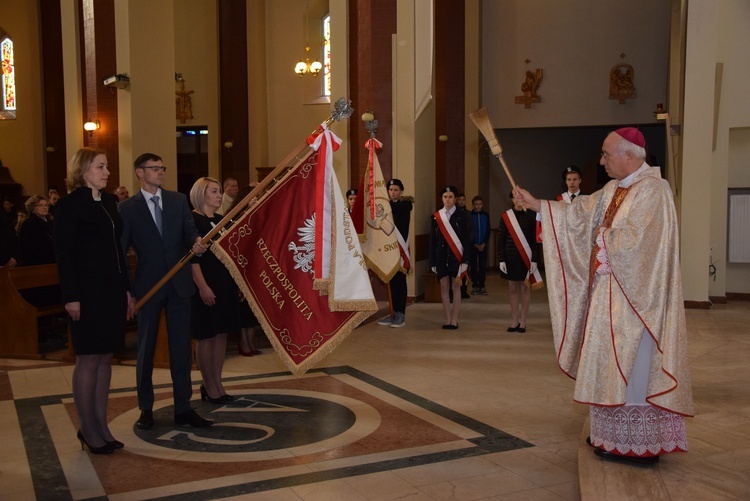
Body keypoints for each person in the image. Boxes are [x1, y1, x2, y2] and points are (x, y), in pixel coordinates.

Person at [513, 127, 694, 465]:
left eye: (606, 154)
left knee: (633, 367)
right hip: (608, 295)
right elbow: (580, 216)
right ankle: (613, 436)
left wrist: (604, 237)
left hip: (638, 302)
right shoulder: (613, 189)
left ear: (629, 155)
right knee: (606, 365)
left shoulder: (654, 191)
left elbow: (643, 244)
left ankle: (639, 445)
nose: (601, 161)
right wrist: (536, 204)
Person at [118, 153, 211, 430]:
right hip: (148, 286)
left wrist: (196, 242)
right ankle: (146, 408)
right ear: (139, 172)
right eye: (154, 168)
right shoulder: (127, 208)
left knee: (181, 347)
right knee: (145, 349)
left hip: (180, 283)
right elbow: (122, 252)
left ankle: (183, 406)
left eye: (162, 167)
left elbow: (189, 231)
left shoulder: (177, 200)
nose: (160, 172)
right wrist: (127, 290)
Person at [54, 148, 132, 454]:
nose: (107, 172)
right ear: (84, 170)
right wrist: (70, 296)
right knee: (87, 359)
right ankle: (87, 429)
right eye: (101, 167)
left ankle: (101, 425)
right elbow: (64, 255)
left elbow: (118, 251)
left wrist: (127, 289)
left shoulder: (111, 202)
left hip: (112, 290)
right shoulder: (68, 206)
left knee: (105, 358)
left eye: (107, 166)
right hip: (85, 293)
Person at [189, 177, 241, 403]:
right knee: (206, 336)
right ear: (201, 194)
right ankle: (208, 384)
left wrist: (238, 282)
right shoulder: (191, 220)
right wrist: (202, 286)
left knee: (221, 335)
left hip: (224, 283)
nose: (219, 195)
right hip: (205, 283)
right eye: (213, 191)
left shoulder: (221, 220)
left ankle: (218, 382)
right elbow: (191, 259)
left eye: (220, 191)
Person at [429, 186, 471, 330]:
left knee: (456, 286)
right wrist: (432, 261)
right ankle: (447, 319)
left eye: (450, 197)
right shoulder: (436, 216)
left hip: (457, 257)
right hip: (441, 257)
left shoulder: (463, 215)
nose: (448, 199)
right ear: (442, 199)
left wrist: (465, 260)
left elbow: (467, 239)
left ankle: (455, 319)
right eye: (445, 196)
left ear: (455, 199)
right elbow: (433, 240)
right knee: (444, 287)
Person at [497, 191, 539, 333]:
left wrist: (535, 260)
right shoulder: (506, 216)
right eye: (515, 197)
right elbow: (501, 238)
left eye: (520, 197)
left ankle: (523, 322)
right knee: (513, 289)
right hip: (510, 258)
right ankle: (514, 321)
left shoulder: (532, 215)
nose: (518, 200)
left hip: (526, 258)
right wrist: (501, 259)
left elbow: (535, 240)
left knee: (524, 289)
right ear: (512, 199)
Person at [229, 184, 262, 355]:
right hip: (239, 269)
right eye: (253, 198)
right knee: (242, 308)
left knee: (251, 308)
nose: (256, 200)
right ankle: (243, 341)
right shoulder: (235, 218)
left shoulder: (256, 217)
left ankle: (251, 339)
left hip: (253, 269)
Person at [377, 179, 413, 328]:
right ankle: (392, 312)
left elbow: (395, 210)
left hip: (400, 249)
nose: (393, 192)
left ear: (401, 191)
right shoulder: (387, 206)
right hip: (388, 249)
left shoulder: (405, 205)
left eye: (396, 190)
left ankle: (400, 313)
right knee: (390, 281)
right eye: (390, 190)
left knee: (399, 281)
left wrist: (382, 204)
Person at [18, 195, 55, 266]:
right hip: (37, 263)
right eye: (40, 205)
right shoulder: (28, 224)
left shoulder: (51, 222)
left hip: (53, 261)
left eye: (46, 205)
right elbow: (28, 247)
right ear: (33, 208)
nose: (45, 207)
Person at [470, 195, 490, 295]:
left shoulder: (485, 215)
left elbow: (488, 230)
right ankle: (474, 285)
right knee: (473, 265)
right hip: (473, 246)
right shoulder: (470, 215)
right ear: (473, 205)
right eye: (476, 204)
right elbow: (469, 231)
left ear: (482, 205)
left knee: (482, 266)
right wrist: (473, 243)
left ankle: (482, 285)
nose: (478, 206)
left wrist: (484, 243)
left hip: (483, 245)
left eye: (480, 204)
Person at [455, 193, 472, 299]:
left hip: (466, 244)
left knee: (465, 268)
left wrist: (469, 242)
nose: (461, 202)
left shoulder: (468, 214)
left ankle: (464, 289)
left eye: (463, 200)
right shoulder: (454, 213)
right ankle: (456, 289)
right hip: (456, 244)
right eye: (459, 200)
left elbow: (471, 229)